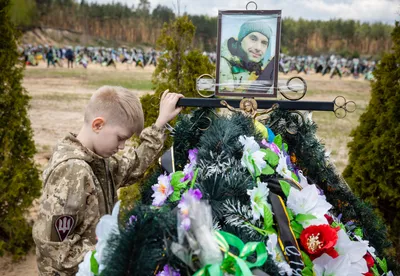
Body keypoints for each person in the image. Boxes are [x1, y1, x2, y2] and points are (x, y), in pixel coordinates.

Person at [32, 87, 184, 275]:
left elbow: (131, 166)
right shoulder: (72, 171)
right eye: (120, 138)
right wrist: (117, 252)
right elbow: (56, 253)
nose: (121, 147)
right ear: (98, 125)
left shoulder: (96, 160)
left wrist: (159, 125)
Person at [219, 19, 275, 92]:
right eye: (253, 39)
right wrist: (252, 88)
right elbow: (225, 98)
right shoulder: (224, 64)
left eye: (264, 43)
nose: (258, 48)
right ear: (241, 40)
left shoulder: (259, 67)